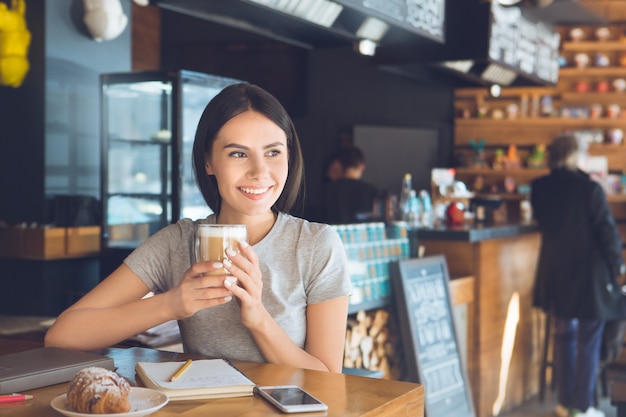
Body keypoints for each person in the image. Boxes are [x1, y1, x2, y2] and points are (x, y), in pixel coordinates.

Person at [45, 83, 352, 373]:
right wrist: (171, 303)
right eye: (238, 153)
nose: (260, 172)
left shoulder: (316, 245)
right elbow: (61, 338)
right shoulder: (177, 243)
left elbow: (327, 377)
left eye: (273, 152)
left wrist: (258, 318)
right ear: (208, 161)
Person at [531, 134, 626, 417]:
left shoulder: (539, 189)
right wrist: (617, 269)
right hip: (589, 279)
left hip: (556, 274)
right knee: (589, 339)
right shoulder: (588, 190)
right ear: (575, 156)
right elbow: (607, 235)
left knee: (564, 335)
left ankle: (565, 403)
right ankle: (582, 407)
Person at [320, 146, 380, 224]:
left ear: (340, 165)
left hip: (331, 234)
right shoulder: (372, 191)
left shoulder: (326, 190)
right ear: (362, 166)